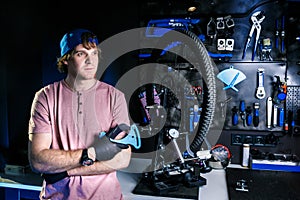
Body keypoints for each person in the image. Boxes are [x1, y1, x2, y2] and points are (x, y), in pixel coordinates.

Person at [27, 28, 132, 200]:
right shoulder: (45, 97)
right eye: (81, 54)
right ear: (66, 60)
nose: (90, 60)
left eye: (94, 53)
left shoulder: (115, 97)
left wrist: (69, 171)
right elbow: (38, 160)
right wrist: (90, 154)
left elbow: (122, 159)